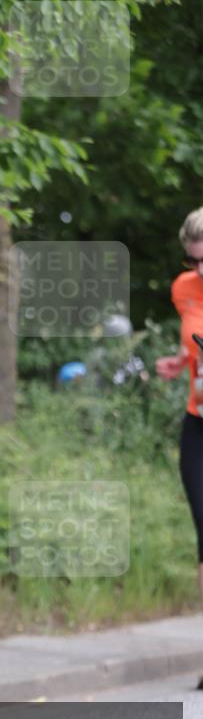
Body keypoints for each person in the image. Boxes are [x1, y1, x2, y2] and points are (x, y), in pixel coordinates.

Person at [156, 207, 203, 609]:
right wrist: (180, 361)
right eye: (193, 260)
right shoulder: (183, 288)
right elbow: (193, 341)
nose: (200, 269)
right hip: (198, 423)